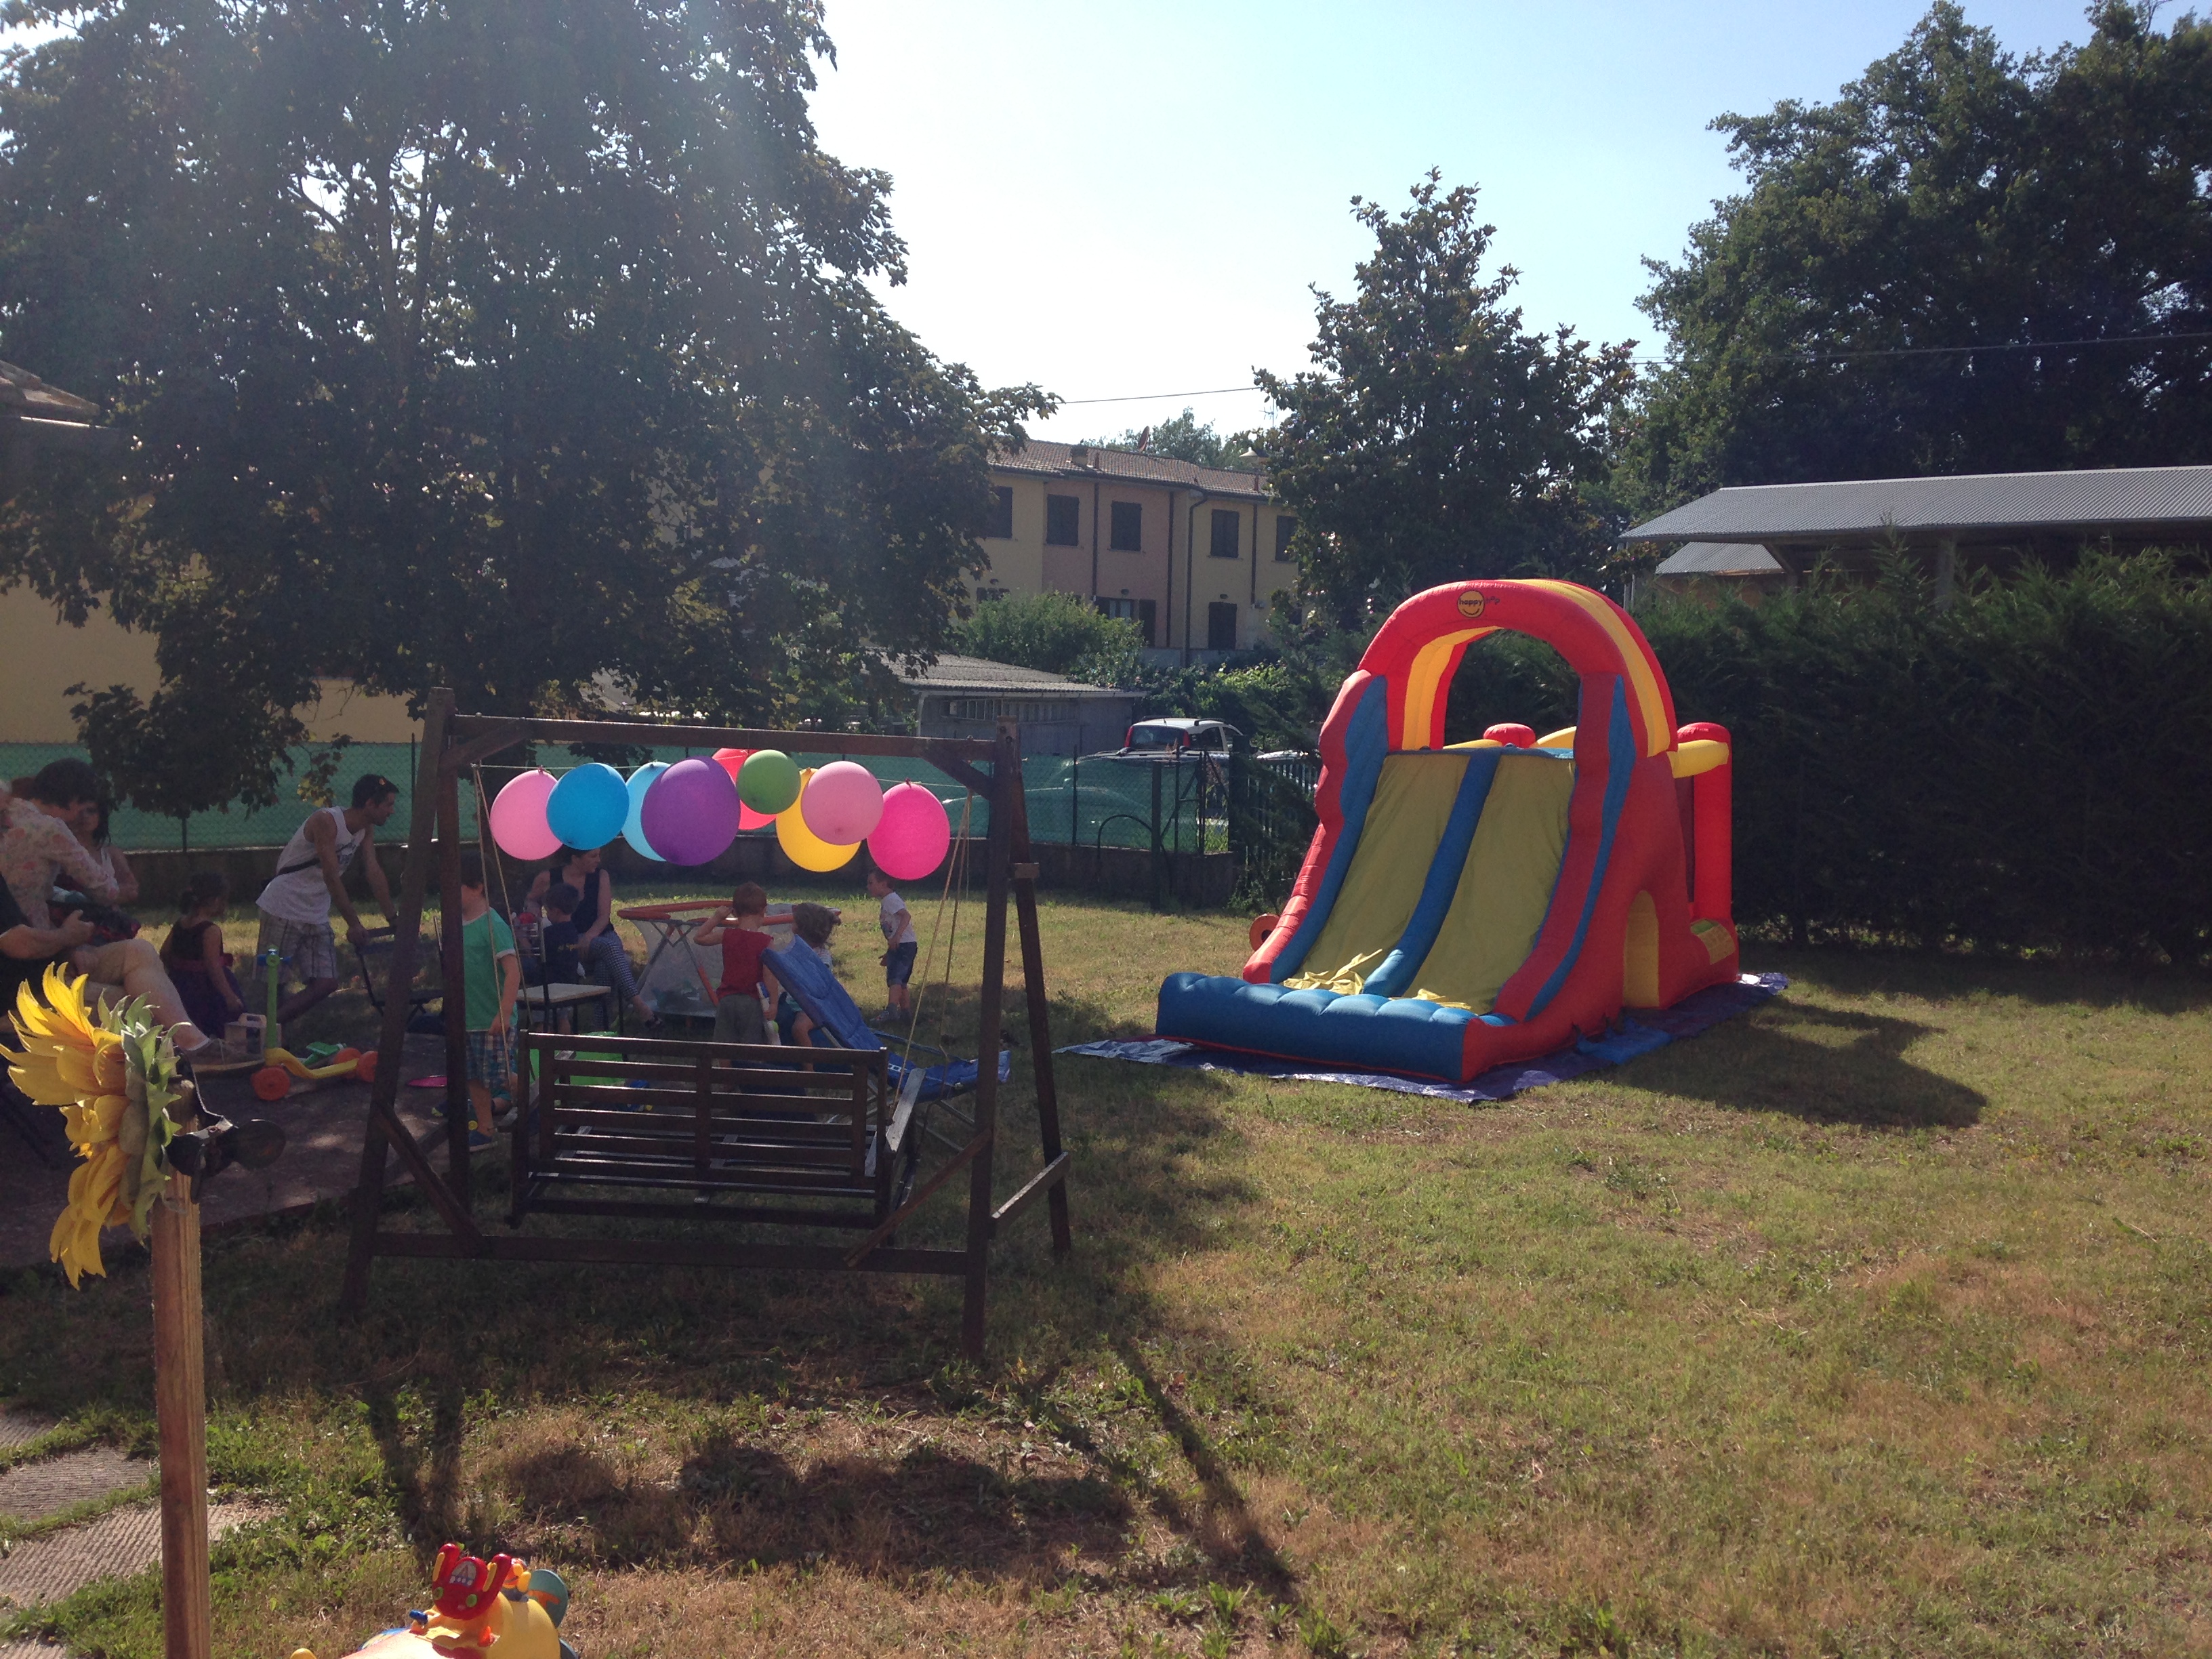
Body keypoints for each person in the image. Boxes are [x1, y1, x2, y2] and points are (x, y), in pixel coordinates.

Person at [0, 760, 241, 1061]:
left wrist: (67, 943)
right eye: (85, 807)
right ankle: (180, 1058)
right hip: (26, 974)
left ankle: (195, 1046)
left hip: (42, 954)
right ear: (73, 801)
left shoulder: (17, 819)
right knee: (136, 1003)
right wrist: (69, 937)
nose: (10, 827)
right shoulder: (50, 829)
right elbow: (105, 891)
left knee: (139, 952)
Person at [253, 775, 399, 1027]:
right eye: (388, 804)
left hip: (316, 911)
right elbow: (331, 876)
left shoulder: (365, 829)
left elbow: (373, 871)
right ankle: (263, 1035)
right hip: (283, 906)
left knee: (327, 982)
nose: (392, 811)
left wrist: (393, 918)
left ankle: (268, 1027)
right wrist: (354, 923)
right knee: (273, 983)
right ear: (369, 804)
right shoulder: (326, 821)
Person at [523, 845, 655, 1026]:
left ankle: (603, 1024)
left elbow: (603, 917)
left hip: (600, 933)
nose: (598, 860)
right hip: (569, 937)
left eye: (598, 855)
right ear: (575, 859)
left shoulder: (601, 876)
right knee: (610, 951)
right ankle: (636, 1006)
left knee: (606, 958)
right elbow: (531, 899)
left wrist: (588, 937)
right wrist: (535, 915)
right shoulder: (548, 878)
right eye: (593, 856)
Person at [457, 853, 520, 1150]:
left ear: (478, 887)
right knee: (473, 1076)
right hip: (468, 1018)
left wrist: (504, 1013)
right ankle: (485, 1128)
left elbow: (513, 972)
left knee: (503, 1076)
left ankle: (537, 1101)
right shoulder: (457, 923)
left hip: (493, 1018)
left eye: (456, 886)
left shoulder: (493, 925)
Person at [691, 882, 784, 1045]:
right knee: (751, 1046)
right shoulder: (765, 942)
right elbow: (769, 976)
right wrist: (774, 1003)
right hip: (752, 1002)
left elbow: (699, 938)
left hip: (727, 1000)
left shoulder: (727, 935)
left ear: (734, 912)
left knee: (724, 1045)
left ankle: (723, 1063)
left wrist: (717, 917)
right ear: (764, 910)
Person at [160, 872, 246, 1038]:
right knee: (217, 1026)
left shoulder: (180, 924)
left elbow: (165, 952)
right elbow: (213, 966)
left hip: (181, 984)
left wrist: (178, 969)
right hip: (205, 990)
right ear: (216, 901)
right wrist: (229, 996)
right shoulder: (210, 930)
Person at [773, 902, 840, 1048]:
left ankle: (809, 1060)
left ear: (801, 927)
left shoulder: (821, 957)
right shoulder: (797, 948)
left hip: (815, 1006)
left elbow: (818, 985)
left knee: (799, 1029)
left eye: (795, 921)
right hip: (797, 1003)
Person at [865, 867, 918, 1023]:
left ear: (883, 884)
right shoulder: (888, 900)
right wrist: (890, 952)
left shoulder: (890, 900)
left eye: (871, 883)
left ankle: (891, 1010)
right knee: (901, 981)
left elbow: (906, 916)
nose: (868, 887)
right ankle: (906, 1014)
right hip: (902, 945)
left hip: (904, 944)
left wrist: (897, 936)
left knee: (895, 978)